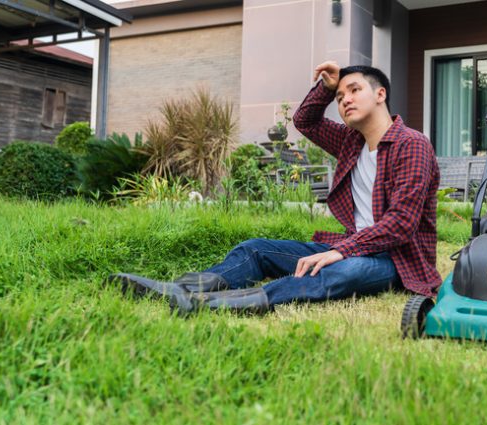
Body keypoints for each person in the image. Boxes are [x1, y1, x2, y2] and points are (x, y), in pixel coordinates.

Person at [108, 61, 442, 315]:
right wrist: (325, 89)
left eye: (354, 90)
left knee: (343, 272)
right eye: (340, 96)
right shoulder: (350, 142)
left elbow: (400, 223)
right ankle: (179, 289)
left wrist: (340, 251)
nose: (345, 100)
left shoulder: (411, 144)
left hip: (396, 260)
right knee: (256, 248)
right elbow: (304, 121)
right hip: (353, 246)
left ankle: (212, 304)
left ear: (380, 94)